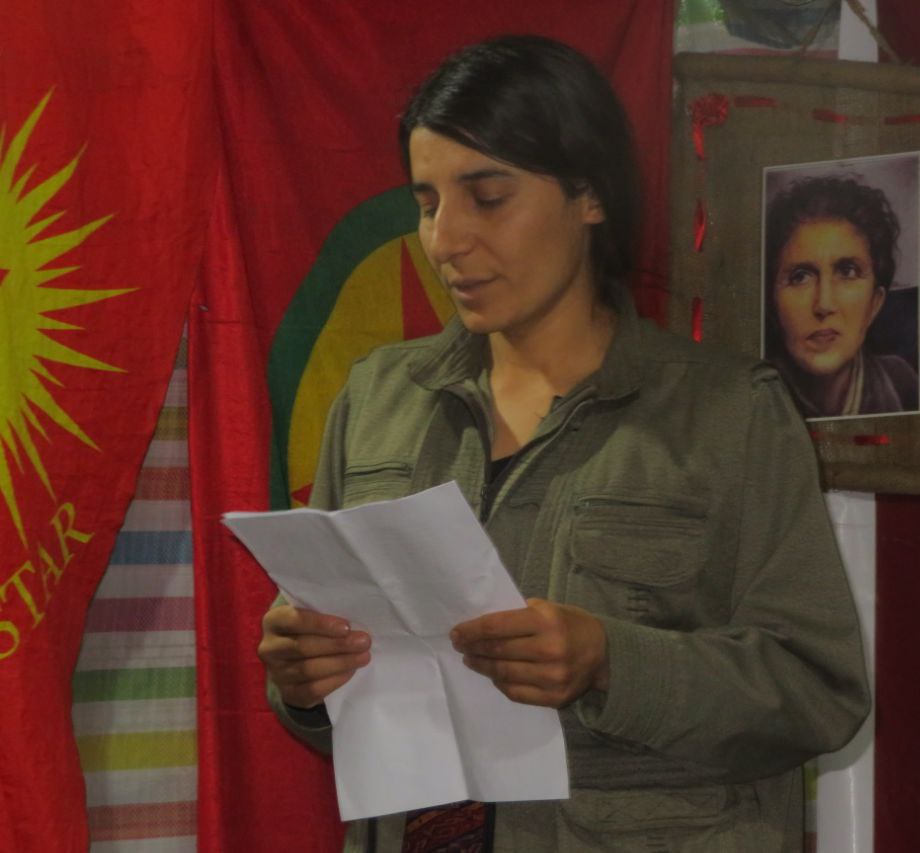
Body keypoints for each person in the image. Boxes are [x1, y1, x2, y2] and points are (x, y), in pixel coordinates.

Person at [257, 35, 869, 853]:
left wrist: (612, 660)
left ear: (590, 195)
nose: (444, 240)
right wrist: (305, 679)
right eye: (428, 202)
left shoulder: (729, 414)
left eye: (487, 198)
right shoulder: (377, 398)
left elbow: (818, 690)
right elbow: (347, 709)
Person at [763, 174, 919, 419]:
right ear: (772, 303)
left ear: (875, 303)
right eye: (800, 277)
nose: (824, 304)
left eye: (848, 272)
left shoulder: (903, 381)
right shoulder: (753, 396)